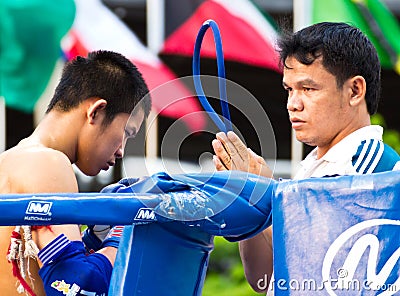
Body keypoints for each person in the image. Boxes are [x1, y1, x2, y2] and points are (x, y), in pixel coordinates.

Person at [212, 22, 400, 293]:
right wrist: (253, 197)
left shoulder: (373, 172)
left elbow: (323, 280)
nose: (293, 104)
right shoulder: (315, 168)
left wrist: (271, 201)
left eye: (308, 89)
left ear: (355, 91)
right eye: (289, 90)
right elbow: (264, 279)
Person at [0, 50, 151, 296]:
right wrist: (126, 229)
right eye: (127, 133)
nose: (122, 149)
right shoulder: (47, 162)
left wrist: (93, 239)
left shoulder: (8, 161)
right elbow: (76, 286)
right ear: (96, 111)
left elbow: (48, 268)